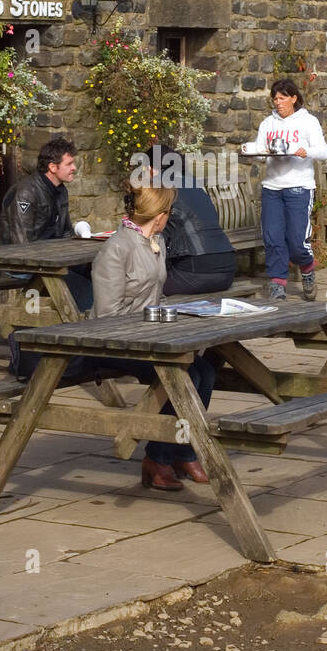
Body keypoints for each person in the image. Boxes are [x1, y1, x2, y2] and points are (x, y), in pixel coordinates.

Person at [91, 186, 217, 492]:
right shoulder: (117, 249)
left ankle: (182, 453)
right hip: (114, 342)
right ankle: (158, 459)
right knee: (182, 374)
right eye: (169, 212)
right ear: (160, 216)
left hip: (147, 337)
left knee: (205, 370)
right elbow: (107, 316)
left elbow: (154, 297)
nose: (169, 218)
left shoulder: (156, 241)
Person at [246, 79, 327, 300]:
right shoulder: (268, 123)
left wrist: (306, 151)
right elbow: (263, 154)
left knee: (296, 240)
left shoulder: (308, 122)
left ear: (294, 98)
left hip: (299, 187)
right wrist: (257, 153)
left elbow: (324, 151)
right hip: (272, 187)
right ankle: (277, 283)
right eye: (275, 98)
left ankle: (308, 268)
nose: (278, 102)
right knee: (272, 237)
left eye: (282, 98)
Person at [0, 135, 92, 313]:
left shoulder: (60, 191)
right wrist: (60, 258)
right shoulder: (26, 192)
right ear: (53, 167)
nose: (74, 168)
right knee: (86, 292)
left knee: (97, 270)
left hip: (51, 258)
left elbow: (65, 233)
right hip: (22, 264)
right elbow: (21, 245)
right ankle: (88, 329)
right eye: (69, 164)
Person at [133, 144, 237, 296]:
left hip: (194, 272)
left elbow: (148, 234)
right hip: (227, 270)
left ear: (149, 168)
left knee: (136, 287)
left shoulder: (159, 188)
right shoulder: (193, 183)